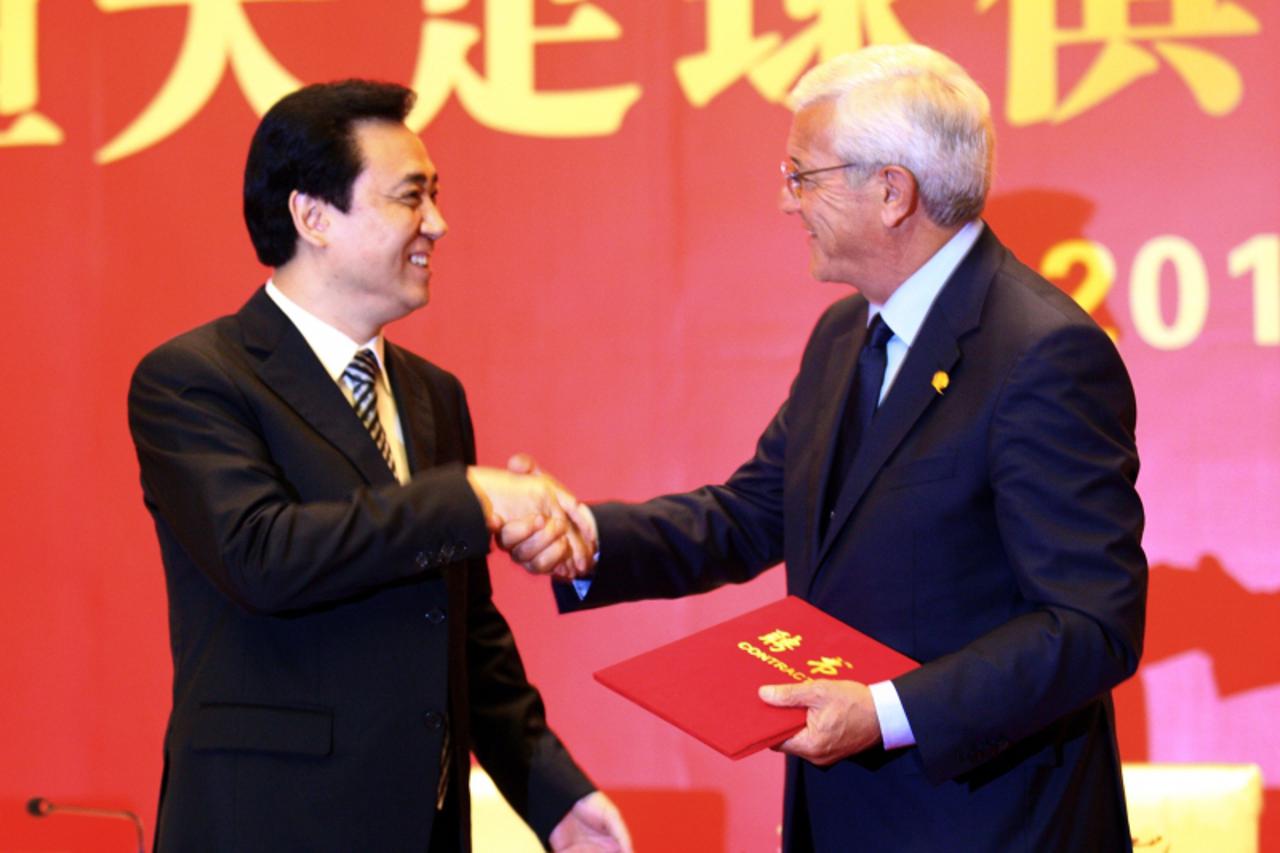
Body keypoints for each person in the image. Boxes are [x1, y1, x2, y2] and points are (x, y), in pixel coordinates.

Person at [503, 45, 1148, 852]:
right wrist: (589, 539)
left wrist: (885, 710)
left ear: (892, 192)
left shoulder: (1042, 351)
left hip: (989, 825)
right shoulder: (845, 334)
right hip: (844, 819)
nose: (785, 200)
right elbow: (755, 511)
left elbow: (1091, 623)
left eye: (802, 175)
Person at [127, 79, 628, 853]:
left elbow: (463, 627)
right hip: (268, 827)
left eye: (435, 196)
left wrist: (553, 795)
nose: (438, 223)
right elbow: (261, 555)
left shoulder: (433, 394)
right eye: (409, 197)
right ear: (313, 216)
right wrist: (466, 496)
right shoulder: (195, 377)